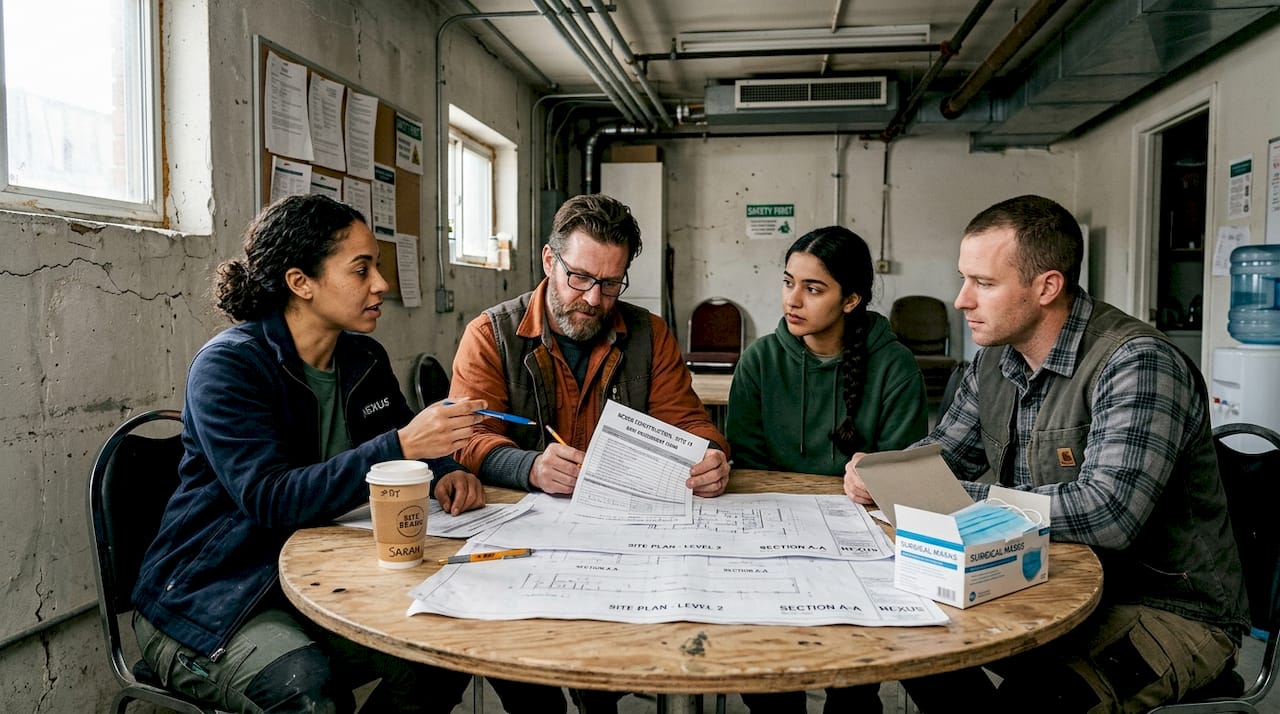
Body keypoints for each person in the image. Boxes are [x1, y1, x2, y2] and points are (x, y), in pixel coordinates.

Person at [132, 194, 567, 713]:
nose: (381, 285)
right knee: (305, 686)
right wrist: (406, 444)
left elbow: (408, 440)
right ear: (301, 283)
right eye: (360, 270)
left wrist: (447, 470)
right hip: (218, 594)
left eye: (377, 267)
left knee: (447, 649)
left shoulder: (361, 357)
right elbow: (271, 499)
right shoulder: (229, 368)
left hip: (323, 576)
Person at [844, 195, 1249, 712]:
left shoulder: (1137, 363)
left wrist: (938, 495)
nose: (961, 300)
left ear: (1047, 287)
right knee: (913, 647)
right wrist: (885, 471)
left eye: (983, 284)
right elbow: (944, 453)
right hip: (1044, 580)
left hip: (1163, 607)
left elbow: (1108, 514)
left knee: (1040, 701)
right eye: (964, 279)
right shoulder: (994, 360)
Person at [449, 192, 731, 712]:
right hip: (520, 541)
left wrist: (712, 455)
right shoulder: (491, 334)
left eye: (611, 283)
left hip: (624, 538)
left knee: (610, 672)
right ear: (549, 260)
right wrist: (528, 465)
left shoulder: (650, 334)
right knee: (528, 679)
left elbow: (689, 421)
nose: (595, 299)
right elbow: (467, 437)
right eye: (580, 277)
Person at [725, 225, 927, 713]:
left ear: (852, 299)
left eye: (813, 289)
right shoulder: (759, 360)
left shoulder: (895, 367)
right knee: (768, 681)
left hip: (863, 541)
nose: (793, 300)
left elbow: (899, 477)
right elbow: (747, 466)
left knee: (856, 684)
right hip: (770, 534)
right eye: (788, 282)